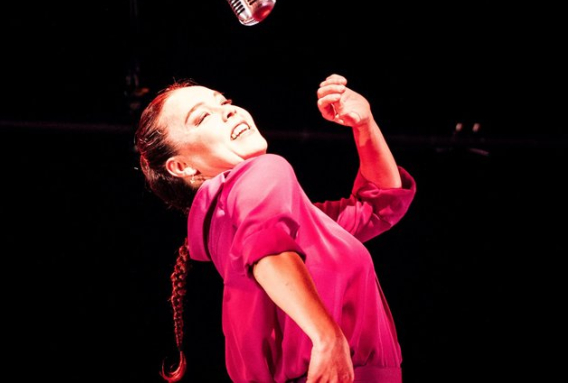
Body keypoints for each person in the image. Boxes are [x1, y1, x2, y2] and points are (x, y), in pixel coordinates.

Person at [134, 73, 417, 383]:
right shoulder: (263, 171)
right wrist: (327, 337)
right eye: (202, 117)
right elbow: (266, 248)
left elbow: (377, 207)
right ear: (182, 166)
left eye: (224, 101)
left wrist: (364, 126)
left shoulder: (232, 226)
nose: (229, 110)